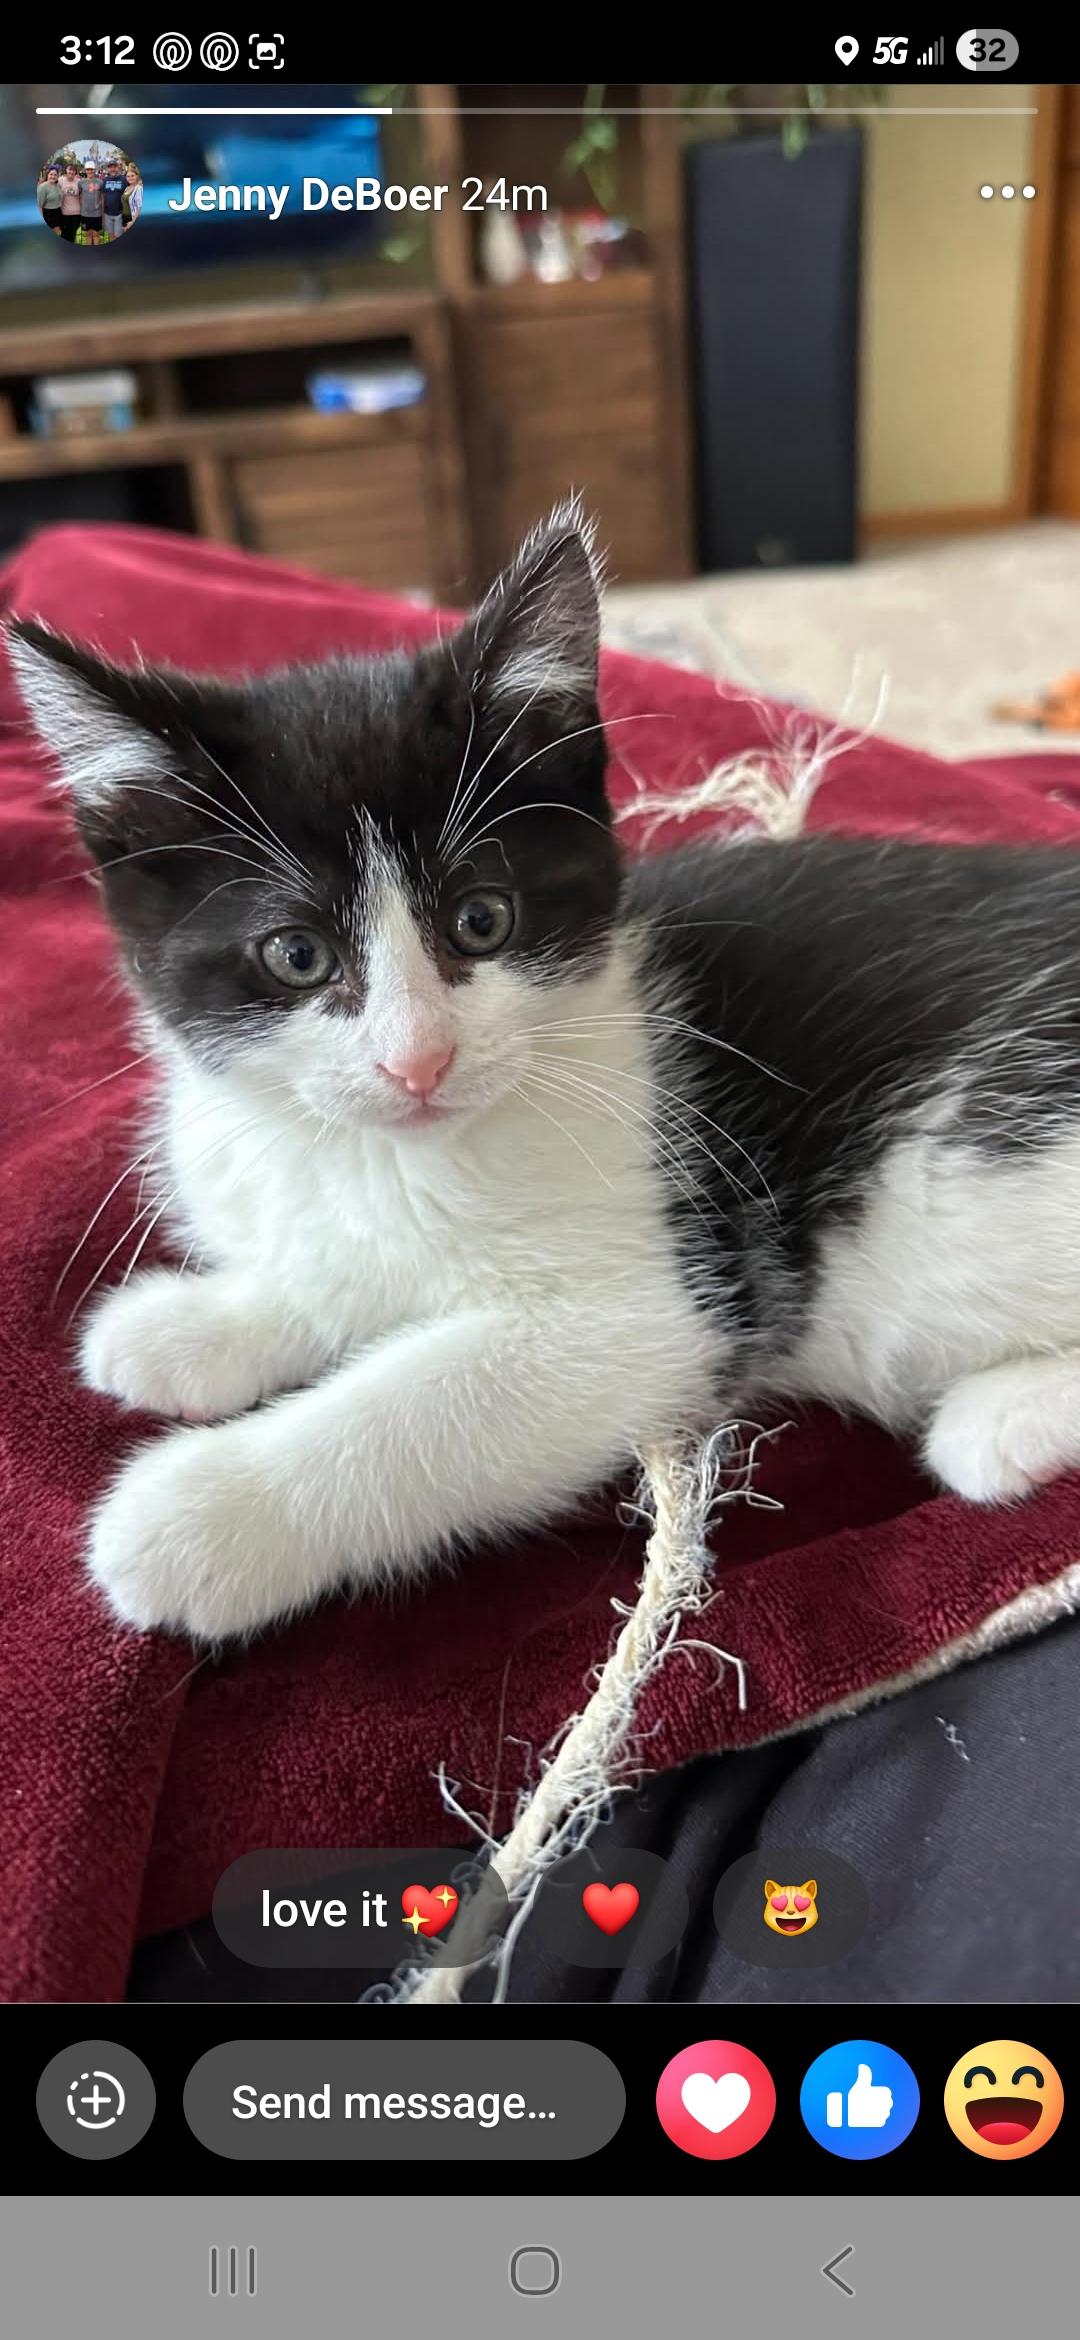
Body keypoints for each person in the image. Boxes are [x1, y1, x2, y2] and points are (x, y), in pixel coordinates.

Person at [100, 157, 127, 242]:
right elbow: (103, 196)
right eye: (110, 167)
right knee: (110, 236)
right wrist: (102, 212)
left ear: (117, 167)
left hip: (119, 213)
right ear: (108, 169)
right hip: (107, 213)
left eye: (114, 167)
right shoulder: (105, 180)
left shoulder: (123, 179)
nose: (112, 169)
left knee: (118, 235)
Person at [57, 161, 82, 243]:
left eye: (73, 170)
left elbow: (82, 196)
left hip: (76, 214)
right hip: (64, 214)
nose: (71, 172)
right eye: (69, 170)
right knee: (64, 235)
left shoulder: (79, 182)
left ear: (75, 172)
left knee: (73, 235)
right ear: (66, 170)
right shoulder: (60, 180)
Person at [79, 167, 103, 246]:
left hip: (97, 213)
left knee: (96, 235)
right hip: (85, 214)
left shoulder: (100, 182)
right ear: (85, 171)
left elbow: (102, 197)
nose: (90, 171)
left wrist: (102, 211)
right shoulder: (81, 182)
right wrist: (82, 207)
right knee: (88, 235)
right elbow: (79, 195)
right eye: (88, 169)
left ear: (94, 170)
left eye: (91, 169)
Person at [37, 168, 63, 233]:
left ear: (57, 176)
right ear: (47, 175)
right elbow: (40, 206)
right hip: (48, 214)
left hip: (58, 212)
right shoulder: (42, 187)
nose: (53, 176)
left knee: (57, 232)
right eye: (51, 174)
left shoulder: (57, 186)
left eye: (55, 175)